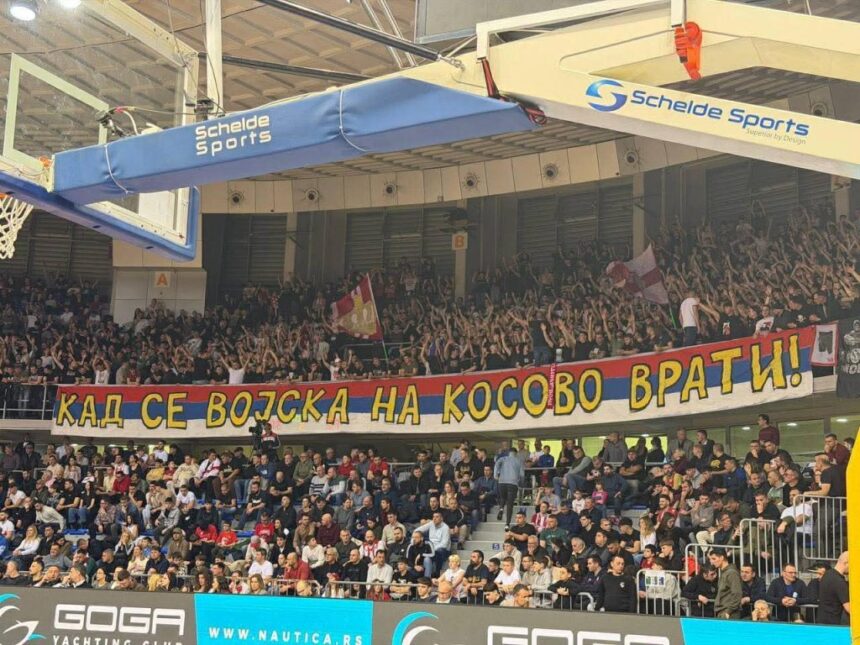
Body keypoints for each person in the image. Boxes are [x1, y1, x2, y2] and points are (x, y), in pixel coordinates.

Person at [494, 447, 524, 527]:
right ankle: (507, 524)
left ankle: (501, 509)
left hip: (502, 482)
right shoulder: (519, 461)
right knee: (510, 504)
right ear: (516, 453)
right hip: (513, 483)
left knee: (503, 498)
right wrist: (521, 484)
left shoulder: (503, 459)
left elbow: (496, 464)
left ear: (509, 453)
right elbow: (522, 475)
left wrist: (495, 475)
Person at [818, 551, 849, 625]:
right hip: (834, 624)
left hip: (822, 621)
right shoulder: (839, 581)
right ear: (846, 563)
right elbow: (848, 607)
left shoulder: (827, 574)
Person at [710, 549, 742, 619]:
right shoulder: (725, 573)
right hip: (724, 612)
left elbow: (737, 593)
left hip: (729, 613)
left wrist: (728, 612)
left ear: (722, 557)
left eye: (714, 559)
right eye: (711, 559)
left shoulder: (731, 573)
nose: (711, 562)